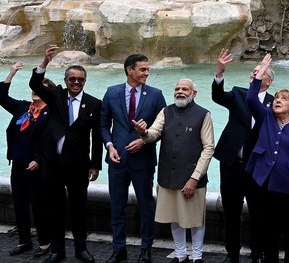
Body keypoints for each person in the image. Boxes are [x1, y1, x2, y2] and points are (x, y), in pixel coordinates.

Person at [29, 45, 102, 263]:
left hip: (79, 167)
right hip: (52, 164)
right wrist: (44, 63)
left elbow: (97, 137)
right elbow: (34, 84)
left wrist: (95, 165)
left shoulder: (94, 104)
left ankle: (81, 249)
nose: (76, 83)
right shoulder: (55, 96)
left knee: (79, 209)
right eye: (72, 79)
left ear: (85, 81)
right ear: (66, 80)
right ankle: (57, 251)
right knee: (54, 210)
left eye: (80, 80)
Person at [134, 80, 215, 263]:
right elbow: (153, 133)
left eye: (184, 89)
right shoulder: (166, 111)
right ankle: (180, 255)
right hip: (167, 176)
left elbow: (209, 148)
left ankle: (197, 256)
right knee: (174, 217)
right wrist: (144, 133)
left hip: (192, 177)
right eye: (177, 89)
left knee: (195, 219)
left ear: (194, 93)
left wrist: (194, 179)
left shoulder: (204, 114)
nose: (180, 92)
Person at [245, 54, 289, 263]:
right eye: (276, 98)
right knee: (270, 232)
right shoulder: (266, 116)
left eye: (283, 99)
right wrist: (260, 74)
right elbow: (250, 99)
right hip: (265, 182)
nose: (278, 101)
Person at [100, 54, 167, 263]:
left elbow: (164, 127)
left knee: (147, 206)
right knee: (116, 207)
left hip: (143, 161)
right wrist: (109, 146)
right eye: (143, 69)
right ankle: (118, 249)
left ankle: (146, 249)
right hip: (117, 159)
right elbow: (103, 125)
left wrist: (144, 140)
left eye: (148, 70)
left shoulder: (156, 95)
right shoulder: (111, 92)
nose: (147, 73)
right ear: (130, 70)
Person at [212, 49, 275, 263]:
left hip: (256, 166)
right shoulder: (238, 93)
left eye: (259, 72)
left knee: (259, 212)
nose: (253, 74)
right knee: (231, 212)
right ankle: (232, 253)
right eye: (253, 71)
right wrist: (220, 71)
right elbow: (218, 96)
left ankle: (257, 253)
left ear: (268, 80)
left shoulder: (274, 103)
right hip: (231, 163)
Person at [0, 61, 53, 258]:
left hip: (37, 166)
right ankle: (24, 241)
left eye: (41, 89)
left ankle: (45, 243)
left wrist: (40, 159)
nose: (36, 92)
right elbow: (1, 96)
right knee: (19, 204)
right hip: (18, 163)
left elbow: (52, 141)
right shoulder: (23, 107)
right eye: (35, 89)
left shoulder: (51, 113)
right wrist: (11, 74)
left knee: (38, 206)